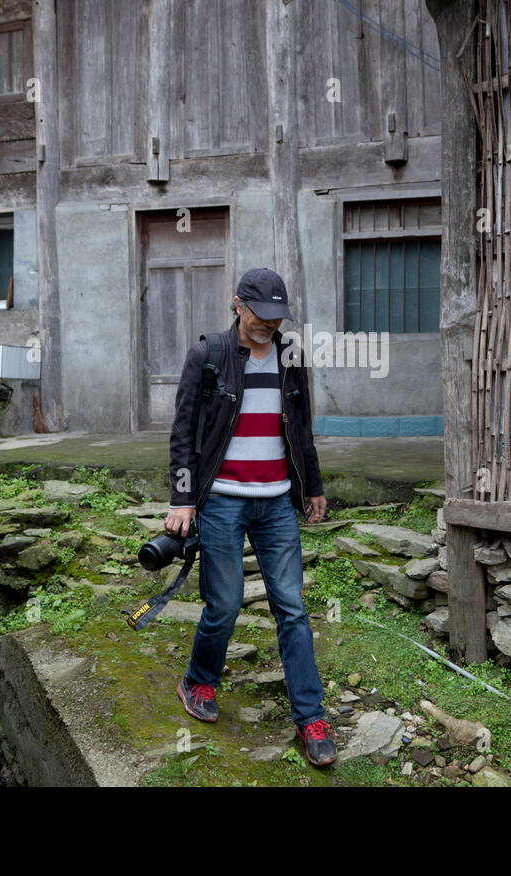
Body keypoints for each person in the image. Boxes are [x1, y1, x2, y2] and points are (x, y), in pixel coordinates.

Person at [164, 267, 336, 767]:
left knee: (292, 607)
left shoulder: (290, 355)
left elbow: (301, 427)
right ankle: (198, 681)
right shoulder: (209, 354)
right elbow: (183, 432)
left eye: (277, 317)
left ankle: (311, 718)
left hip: (277, 501)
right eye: (261, 315)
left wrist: (314, 487)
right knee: (226, 604)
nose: (269, 325)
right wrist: (182, 499)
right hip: (221, 500)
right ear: (237, 304)